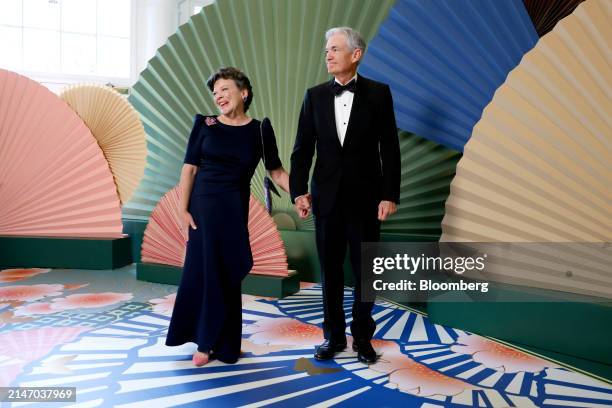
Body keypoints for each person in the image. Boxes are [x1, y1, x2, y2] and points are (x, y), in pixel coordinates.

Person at [290, 27, 400, 364]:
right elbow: (301, 151)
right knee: (331, 273)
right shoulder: (314, 96)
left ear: (356, 54)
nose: (328, 54)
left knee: (366, 273)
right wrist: (298, 192)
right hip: (326, 201)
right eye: (327, 50)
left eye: (335, 49)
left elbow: (390, 150)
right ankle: (333, 337)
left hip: (367, 200)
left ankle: (363, 340)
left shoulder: (379, 94)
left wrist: (389, 195)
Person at [166, 67, 290, 366]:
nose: (218, 97)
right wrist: (182, 209)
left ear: (244, 92)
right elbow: (190, 168)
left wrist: (300, 194)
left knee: (230, 271)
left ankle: (227, 342)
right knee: (205, 271)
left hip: (234, 207)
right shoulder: (205, 124)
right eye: (215, 93)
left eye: (224, 90)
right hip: (202, 207)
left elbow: (276, 171)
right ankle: (206, 343)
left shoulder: (260, 129)